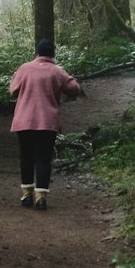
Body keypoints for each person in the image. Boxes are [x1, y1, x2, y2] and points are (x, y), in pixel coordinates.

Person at [9, 38, 84, 211]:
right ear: (53, 54)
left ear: (36, 52)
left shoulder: (24, 68)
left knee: (26, 157)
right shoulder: (57, 71)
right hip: (47, 122)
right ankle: (41, 198)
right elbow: (74, 88)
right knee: (43, 159)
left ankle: (27, 195)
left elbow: (13, 91)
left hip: (24, 120)